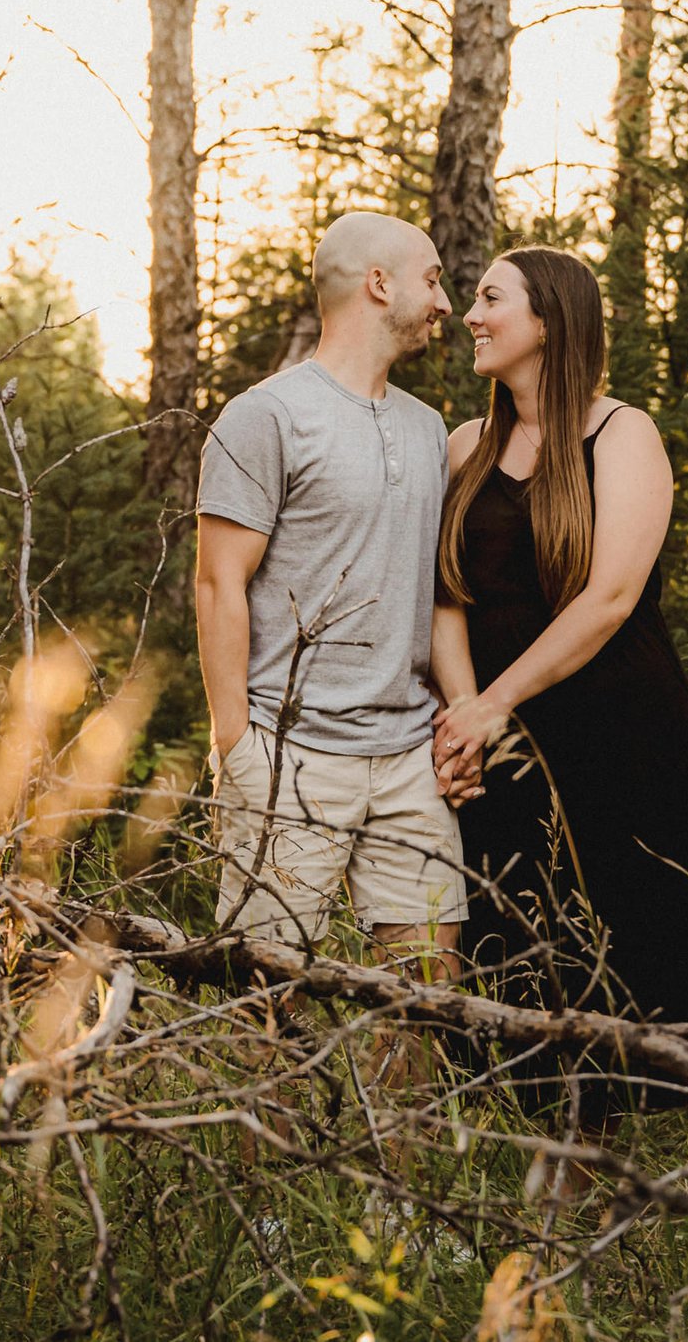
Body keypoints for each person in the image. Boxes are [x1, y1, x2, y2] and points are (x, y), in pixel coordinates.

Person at [429, 246, 688, 1129]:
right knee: (506, 925)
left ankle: (609, 1169)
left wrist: (489, 703)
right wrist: (465, 723)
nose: (470, 315)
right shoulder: (465, 445)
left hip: (623, 730)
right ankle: (514, 1145)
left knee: (620, 932)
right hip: (497, 734)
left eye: (489, 298)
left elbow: (613, 595)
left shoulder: (624, 433)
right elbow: (443, 596)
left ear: (547, 318)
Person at [194, 211, 465, 968]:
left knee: (427, 997)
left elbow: (433, 591)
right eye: (433, 280)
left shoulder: (426, 428)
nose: (445, 304)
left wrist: (460, 712)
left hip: (410, 758)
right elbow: (218, 583)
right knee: (265, 1007)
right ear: (378, 284)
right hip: (290, 755)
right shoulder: (264, 416)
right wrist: (236, 744)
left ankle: (402, 1099)